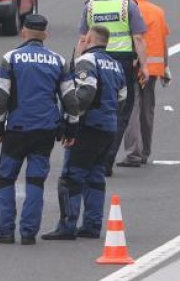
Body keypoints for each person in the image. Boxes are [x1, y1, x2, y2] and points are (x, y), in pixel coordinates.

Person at [0, 14, 78, 245]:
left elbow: (0, 98)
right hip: (45, 130)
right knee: (35, 181)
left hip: (17, 129)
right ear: (45, 34)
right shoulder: (58, 60)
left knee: (5, 178)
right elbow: (71, 100)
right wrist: (71, 129)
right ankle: (28, 233)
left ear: (23, 32)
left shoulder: (11, 58)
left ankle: (5, 231)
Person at [42, 26, 126, 240]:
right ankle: (92, 225)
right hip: (109, 127)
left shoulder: (87, 61)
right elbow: (123, 98)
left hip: (88, 127)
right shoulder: (116, 65)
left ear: (88, 39)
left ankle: (67, 226)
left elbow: (86, 91)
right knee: (95, 175)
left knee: (71, 176)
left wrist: (71, 119)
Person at [76, 0, 147, 176]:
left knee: (92, 105)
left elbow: (83, 38)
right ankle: (106, 159)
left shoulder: (90, 5)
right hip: (122, 61)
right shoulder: (128, 5)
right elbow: (139, 39)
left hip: (93, 61)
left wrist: (78, 63)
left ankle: (91, 156)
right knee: (121, 110)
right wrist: (145, 65)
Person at [117, 0, 170, 167]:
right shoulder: (158, 11)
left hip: (137, 67)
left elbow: (136, 39)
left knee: (132, 108)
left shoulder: (132, 9)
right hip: (154, 69)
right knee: (148, 110)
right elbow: (163, 42)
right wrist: (165, 67)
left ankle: (133, 153)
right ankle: (145, 151)